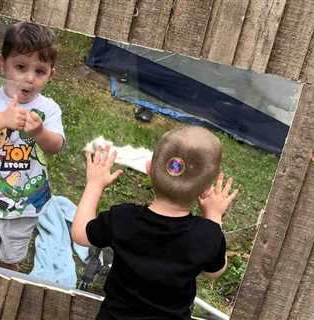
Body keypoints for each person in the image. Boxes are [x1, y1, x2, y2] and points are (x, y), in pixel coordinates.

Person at [72, 126, 238, 320]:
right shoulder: (205, 235)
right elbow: (214, 271)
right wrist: (214, 216)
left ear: (149, 169)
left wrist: (94, 185)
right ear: (205, 190)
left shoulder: (123, 218)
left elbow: (81, 234)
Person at [0, 22, 65, 271]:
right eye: (20, 67)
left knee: (10, 262)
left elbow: (56, 146)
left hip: (25, 206)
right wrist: (2, 119)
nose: (29, 78)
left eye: (40, 71)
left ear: (51, 74)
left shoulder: (49, 109)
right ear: (1, 63)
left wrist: (39, 131)